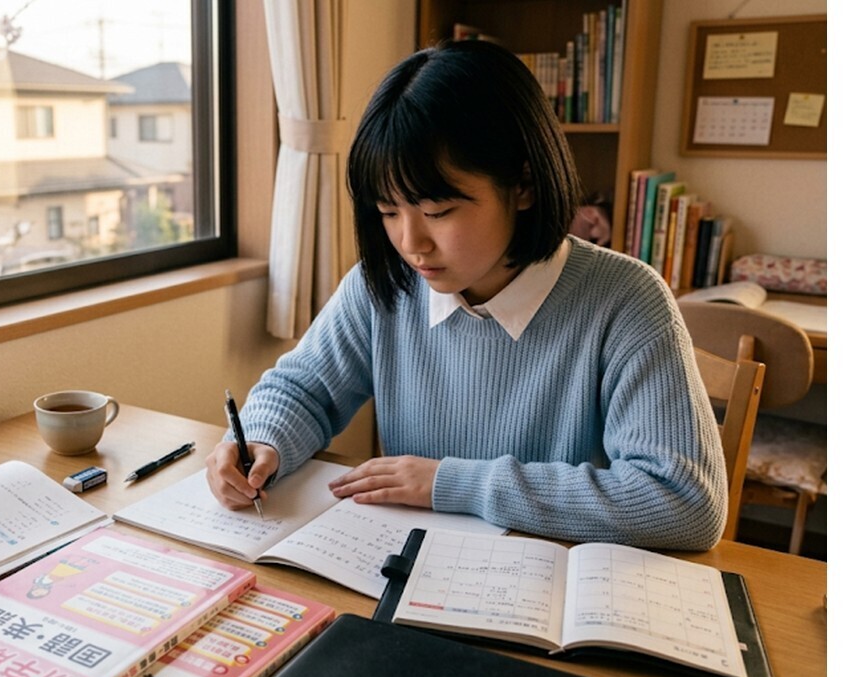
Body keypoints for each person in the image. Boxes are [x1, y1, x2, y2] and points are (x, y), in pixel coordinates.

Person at [205, 40, 727, 551]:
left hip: (553, 583)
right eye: (388, 211)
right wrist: (261, 439)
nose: (411, 243)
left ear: (523, 186)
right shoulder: (383, 283)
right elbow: (305, 389)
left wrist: (453, 483)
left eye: (438, 212)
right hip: (408, 567)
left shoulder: (626, 299)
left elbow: (683, 501)